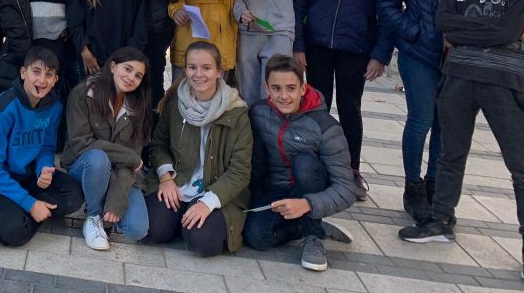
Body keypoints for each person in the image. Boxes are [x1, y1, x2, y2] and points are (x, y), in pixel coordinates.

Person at [398, 0, 524, 266]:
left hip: (504, 79)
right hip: (458, 76)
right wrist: (488, 32)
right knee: (450, 154)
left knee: (519, 163)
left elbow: (509, 29)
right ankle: (440, 219)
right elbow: (445, 24)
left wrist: (471, 32)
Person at [376, 0, 474, 222]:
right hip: (419, 54)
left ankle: (434, 186)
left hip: (457, 58)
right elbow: (386, 5)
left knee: (444, 124)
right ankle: (413, 188)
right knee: (421, 120)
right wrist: (415, 31)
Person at [292, 0, 391, 199]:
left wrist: (380, 54)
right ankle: (317, 170)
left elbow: (387, 11)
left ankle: (351, 171)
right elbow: (299, 3)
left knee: (350, 110)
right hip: (318, 46)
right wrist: (298, 44)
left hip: (356, 49)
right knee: (317, 109)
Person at [244, 55, 357, 272]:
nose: (284, 96)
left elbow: (346, 189)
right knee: (256, 237)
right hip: (275, 189)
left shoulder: (325, 127)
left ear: (303, 88)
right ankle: (303, 225)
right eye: (276, 88)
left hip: (310, 186)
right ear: (266, 89)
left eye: (291, 88)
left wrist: (307, 204)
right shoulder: (258, 112)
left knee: (304, 164)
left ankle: (313, 234)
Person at [142, 41, 252, 256]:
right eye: (192, 67)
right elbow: (159, 145)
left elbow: (240, 171)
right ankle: (180, 220)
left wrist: (207, 203)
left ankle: (193, 222)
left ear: (219, 71)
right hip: (179, 182)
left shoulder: (237, 112)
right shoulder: (175, 102)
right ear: (185, 70)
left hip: (215, 189)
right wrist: (165, 177)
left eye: (206, 68)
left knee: (203, 243)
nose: (198, 74)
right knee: (153, 230)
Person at [0, 47, 84, 247]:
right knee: (15, 233)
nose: (42, 80)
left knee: (74, 196)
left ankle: (25, 206)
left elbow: (47, 147)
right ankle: (15, 207)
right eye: (36, 72)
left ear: (55, 80)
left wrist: (44, 169)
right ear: (23, 73)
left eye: (49, 74)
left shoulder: (54, 106)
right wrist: (30, 204)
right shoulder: (1, 109)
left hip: (29, 176)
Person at [62, 47, 152, 250]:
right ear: (112, 67)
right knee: (98, 158)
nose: (131, 78)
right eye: (127, 69)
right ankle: (93, 217)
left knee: (138, 229)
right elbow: (81, 143)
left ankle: (104, 209)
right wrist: (128, 156)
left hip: (120, 173)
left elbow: (133, 165)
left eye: (138, 75)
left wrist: (116, 199)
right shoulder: (83, 93)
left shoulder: (138, 105)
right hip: (85, 166)